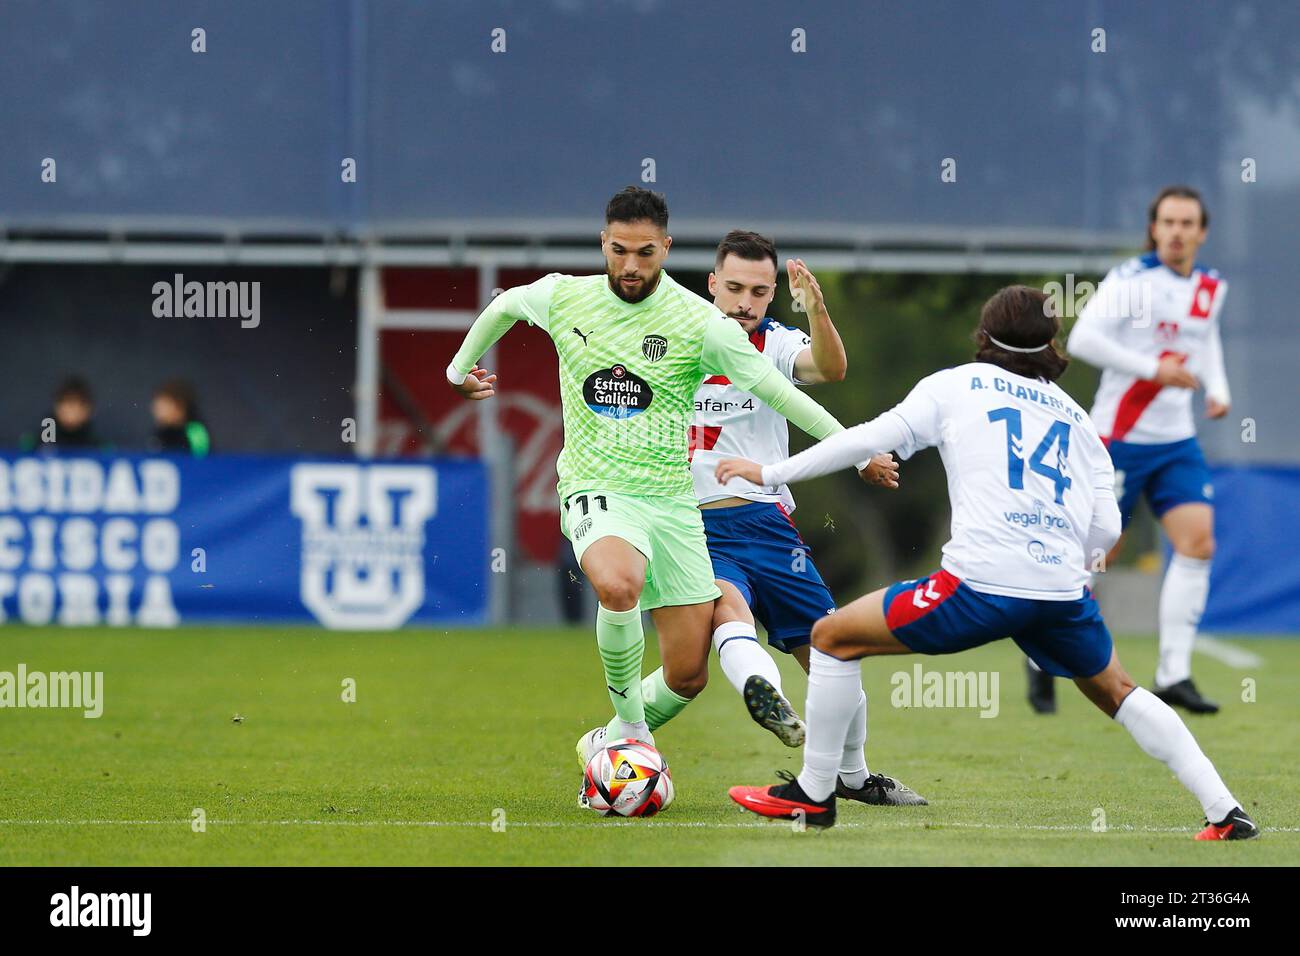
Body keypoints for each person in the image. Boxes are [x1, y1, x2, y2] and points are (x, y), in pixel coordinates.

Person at [719, 285, 1257, 840]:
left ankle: (814, 793)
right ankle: (1226, 812)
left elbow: (863, 440)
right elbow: (1108, 530)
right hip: (1061, 592)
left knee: (831, 636)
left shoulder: (954, 386)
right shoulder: (1078, 418)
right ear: (1053, 344)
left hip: (979, 588)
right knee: (1119, 690)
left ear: (984, 335)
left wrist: (768, 473)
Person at [444, 187, 854, 770]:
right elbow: (506, 304)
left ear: (665, 248)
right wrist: (459, 369)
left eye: (644, 253)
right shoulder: (566, 297)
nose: (630, 266)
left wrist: (853, 450)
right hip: (596, 486)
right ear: (603, 244)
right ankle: (634, 733)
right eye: (618, 250)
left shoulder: (699, 323)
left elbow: (780, 393)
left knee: (687, 674)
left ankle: (607, 740)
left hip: (674, 505)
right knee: (618, 584)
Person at [689, 229, 923, 806]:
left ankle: (853, 775)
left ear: (772, 295)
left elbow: (827, 367)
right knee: (727, 608)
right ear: (713, 284)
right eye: (735, 287)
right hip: (695, 523)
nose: (745, 302)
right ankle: (764, 694)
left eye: (760, 292)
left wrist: (817, 310)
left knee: (831, 647)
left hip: (770, 525)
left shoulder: (773, 343)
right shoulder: (677, 336)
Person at [1042, 185, 1230, 716]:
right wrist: (1153, 369)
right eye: (1167, 222)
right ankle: (1044, 654)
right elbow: (1082, 342)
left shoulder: (1211, 287)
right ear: (1154, 228)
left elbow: (1205, 339)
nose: (1176, 231)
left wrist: (1219, 390)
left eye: (1187, 223)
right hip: (1117, 439)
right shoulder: (1130, 280)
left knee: (1198, 544)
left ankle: (1174, 674)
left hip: (1177, 442)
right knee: (1099, 552)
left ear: (1201, 232)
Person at [21, 376, 107, 452]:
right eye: (66, 403)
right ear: (56, 406)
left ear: (88, 409)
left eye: (77, 404)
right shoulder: (39, 442)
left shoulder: (98, 447)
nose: (71, 411)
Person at [150, 379, 211, 456]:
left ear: (179, 406)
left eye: (162, 407)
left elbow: (204, 462)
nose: (157, 412)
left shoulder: (195, 431)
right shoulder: (159, 434)